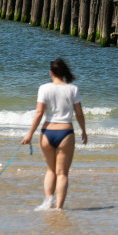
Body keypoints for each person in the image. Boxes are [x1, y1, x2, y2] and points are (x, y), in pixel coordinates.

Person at [21, 58, 87, 210]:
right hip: (66, 132)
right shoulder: (73, 89)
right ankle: (59, 208)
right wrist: (83, 130)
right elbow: (79, 114)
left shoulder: (44, 88)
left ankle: (48, 202)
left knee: (51, 170)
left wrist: (29, 134)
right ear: (64, 73)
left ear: (51, 73)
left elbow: (39, 113)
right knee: (62, 173)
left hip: (47, 132)